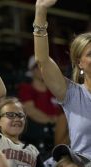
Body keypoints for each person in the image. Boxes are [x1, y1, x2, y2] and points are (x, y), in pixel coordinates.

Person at [34, 0, 91, 157]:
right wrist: (40, 11)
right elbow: (43, 60)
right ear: (79, 63)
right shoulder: (72, 94)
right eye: (90, 54)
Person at [18, 55, 62, 159]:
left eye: (45, 66)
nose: (42, 69)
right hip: (38, 135)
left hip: (57, 132)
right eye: (38, 66)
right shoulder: (27, 88)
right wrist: (53, 121)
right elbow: (30, 110)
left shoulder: (55, 90)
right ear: (31, 70)